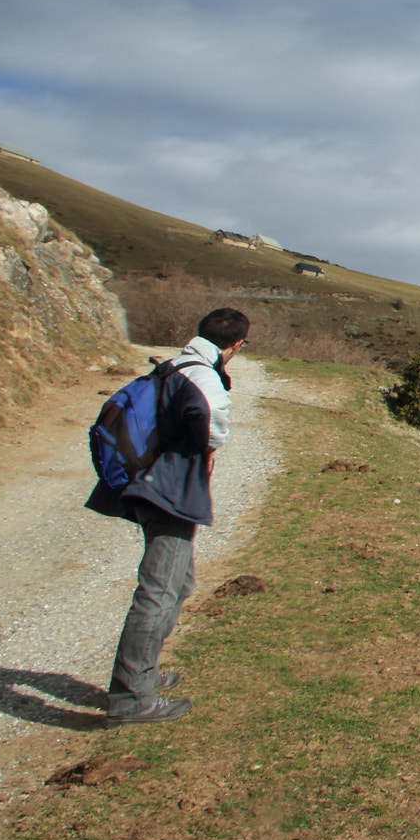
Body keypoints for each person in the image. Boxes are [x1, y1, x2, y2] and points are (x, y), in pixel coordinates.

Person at [86, 307, 249, 727]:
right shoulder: (203, 374)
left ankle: (144, 672)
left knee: (179, 582)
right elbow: (213, 424)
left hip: (144, 480)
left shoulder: (173, 364)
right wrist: (208, 448)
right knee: (159, 589)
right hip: (166, 488)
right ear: (237, 345)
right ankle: (130, 698)